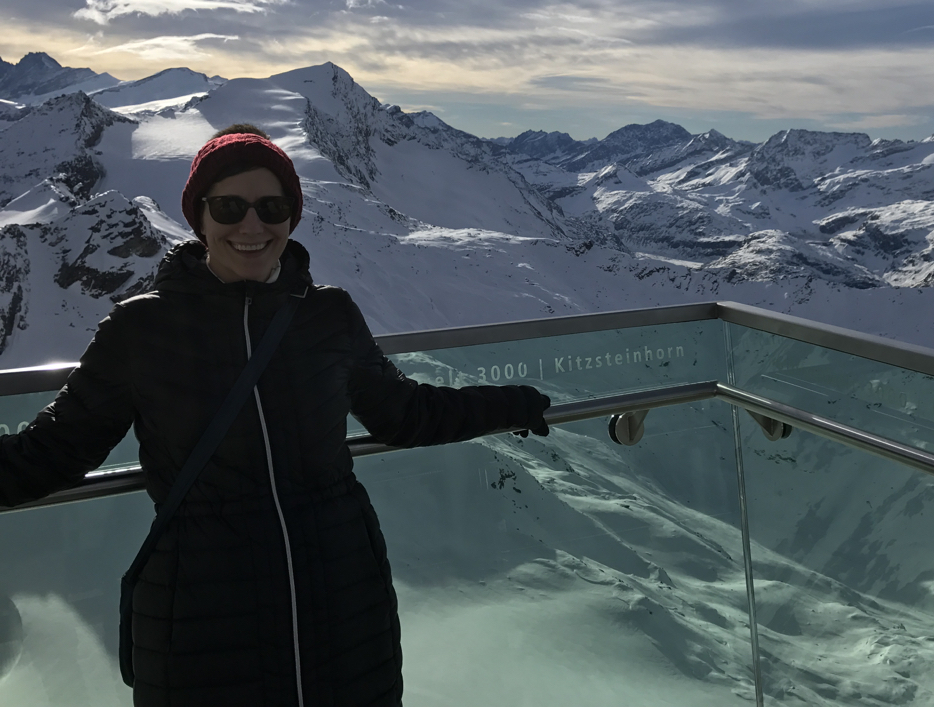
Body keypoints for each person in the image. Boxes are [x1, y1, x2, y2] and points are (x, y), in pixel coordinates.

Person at [0, 124, 551, 706]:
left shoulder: (329, 315)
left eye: (272, 207)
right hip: (204, 618)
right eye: (229, 207)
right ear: (199, 216)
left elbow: (404, 413)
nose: (251, 225)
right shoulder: (141, 329)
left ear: (292, 216)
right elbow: (54, 451)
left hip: (342, 602)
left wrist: (510, 403)